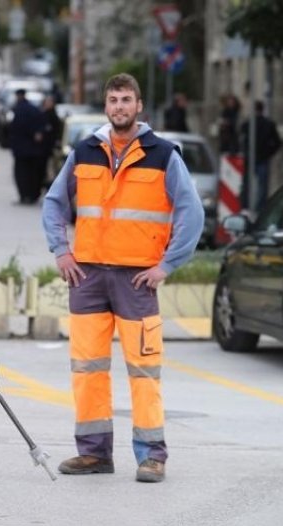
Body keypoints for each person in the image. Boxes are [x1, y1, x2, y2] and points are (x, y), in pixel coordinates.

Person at [41, 73, 203, 483]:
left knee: (144, 371)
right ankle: (94, 453)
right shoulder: (84, 151)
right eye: (113, 100)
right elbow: (54, 203)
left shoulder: (163, 154)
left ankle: (152, 456)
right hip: (89, 277)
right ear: (105, 105)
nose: (119, 107)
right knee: (88, 369)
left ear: (139, 106)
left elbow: (191, 213)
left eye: (126, 99)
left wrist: (166, 265)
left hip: (137, 280)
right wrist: (61, 251)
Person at [240, 100, 282, 212]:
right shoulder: (268, 124)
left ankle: (245, 206)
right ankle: (260, 208)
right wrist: (269, 153)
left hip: (251, 158)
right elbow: (277, 142)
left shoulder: (247, 124)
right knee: (262, 186)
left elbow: (241, 139)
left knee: (247, 184)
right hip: (263, 158)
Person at [8, 88, 46, 204]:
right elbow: (41, 127)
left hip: (20, 150)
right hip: (34, 150)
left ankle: (24, 195)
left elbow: (12, 129)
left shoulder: (17, 110)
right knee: (32, 174)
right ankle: (32, 195)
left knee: (21, 174)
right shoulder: (34, 110)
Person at [40, 94, 62, 190]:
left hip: (51, 149)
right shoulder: (43, 115)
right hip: (43, 150)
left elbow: (57, 133)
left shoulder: (54, 117)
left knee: (51, 170)